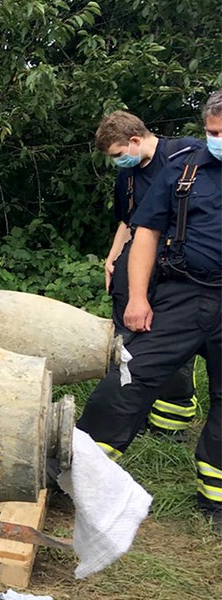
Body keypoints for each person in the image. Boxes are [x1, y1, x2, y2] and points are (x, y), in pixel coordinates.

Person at [78, 90, 222, 533]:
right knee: (129, 372)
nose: (215, 140)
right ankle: (78, 475)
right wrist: (137, 297)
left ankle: (214, 499)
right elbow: (144, 231)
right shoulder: (187, 167)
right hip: (185, 294)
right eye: (212, 132)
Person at [95, 111, 204, 438]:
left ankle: (171, 422)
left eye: (117, 155)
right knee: (127, 338)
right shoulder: (126, 178)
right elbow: (128, 223)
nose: (116, 162)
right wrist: (113, 258)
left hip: (181, 264)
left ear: (135, 140)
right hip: (139, 261)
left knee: (170, 337)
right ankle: (132, 413)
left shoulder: (189, 156)